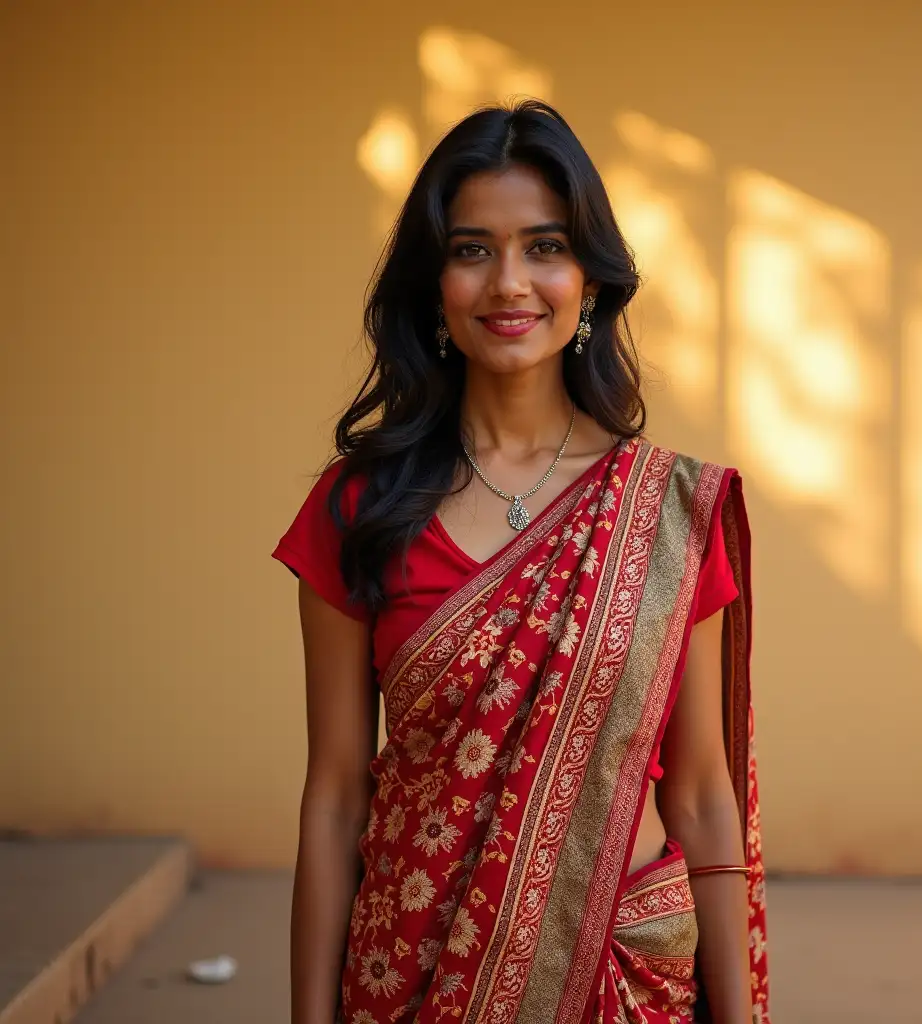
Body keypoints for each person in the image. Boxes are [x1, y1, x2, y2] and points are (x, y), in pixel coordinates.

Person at [273, 100, 769, 1024]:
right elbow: (336, 795)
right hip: (416, 978)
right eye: (472, 250)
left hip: (621, 974)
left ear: (589, 278)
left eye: (545, 246)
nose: (510, 282)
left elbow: (702, 789)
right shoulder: (356, 511)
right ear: (434, 284)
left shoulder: (665, 513)